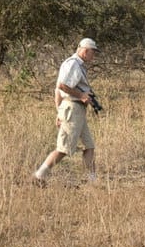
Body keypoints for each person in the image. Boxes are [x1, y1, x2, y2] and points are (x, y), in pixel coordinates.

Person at [32, 37, 100, 184]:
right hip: (73, 108)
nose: (94, 56)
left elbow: (58, 89)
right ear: (85, 51)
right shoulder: (73, 64)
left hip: (76, 109)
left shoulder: (77, 65)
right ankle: (39, 176)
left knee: (89, 145)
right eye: (93, 52)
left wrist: (59, 110)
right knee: (64, 148)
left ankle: (92, 181)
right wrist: (81, 95)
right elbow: (62, 86)